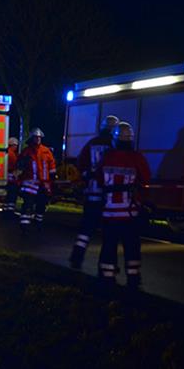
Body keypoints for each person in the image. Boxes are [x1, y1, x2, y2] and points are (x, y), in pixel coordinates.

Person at [96, 121, 151, 289]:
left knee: (109, 246)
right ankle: (133, 278)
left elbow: (99, 179)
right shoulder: (137, 158)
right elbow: (146, 180)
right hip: (129, 214)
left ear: (115, 139)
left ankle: (107, 278)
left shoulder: (106, 157)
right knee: (132, 247)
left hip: (109, 213)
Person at [68, 115, 119, 269]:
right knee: (110, 232)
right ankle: (108, 263)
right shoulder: (115, 146)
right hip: (109, 196)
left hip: (92, 194)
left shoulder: (91, 143)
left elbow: (81, 163)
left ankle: (76, 257)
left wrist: (87, 176)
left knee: (86, 230)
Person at [17, 127, 56, 233]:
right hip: (30, 183)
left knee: (41, 204)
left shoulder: (46, 151)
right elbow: (20, 167)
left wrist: (51, 180)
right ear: (32, 138)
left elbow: (52, 166)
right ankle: (24, 225)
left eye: (39, 137)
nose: (38, 139)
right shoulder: (26, 151)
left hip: (43, 183)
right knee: (28, 204)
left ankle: (38, 223)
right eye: (36, 137)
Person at [3, 137, 20, 218]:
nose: (16, 147)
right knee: (12, 195)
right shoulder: (12, 154)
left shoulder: (7, 152)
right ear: (12, 145)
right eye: (15, 146)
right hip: (11, 179)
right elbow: (14, 166)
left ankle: (6, 209)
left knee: (8, 196)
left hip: (7, 178)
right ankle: (10, 211)